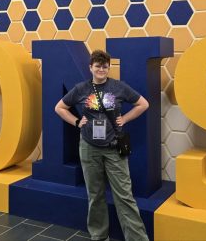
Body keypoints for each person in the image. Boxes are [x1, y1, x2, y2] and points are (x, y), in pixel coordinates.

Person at [55, 50, 150, 241]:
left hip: (114, 147)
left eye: (105, 66)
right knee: (95, 195)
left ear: (109, 68)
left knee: (124, 196)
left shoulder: (118, 87)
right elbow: (60, 107)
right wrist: (76, 122)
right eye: (97, 66)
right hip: (89, 148)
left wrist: (126, 118)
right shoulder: (81, 89)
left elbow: (143, 104)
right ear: (90, 67)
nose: (101, 69)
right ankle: (99, 236)